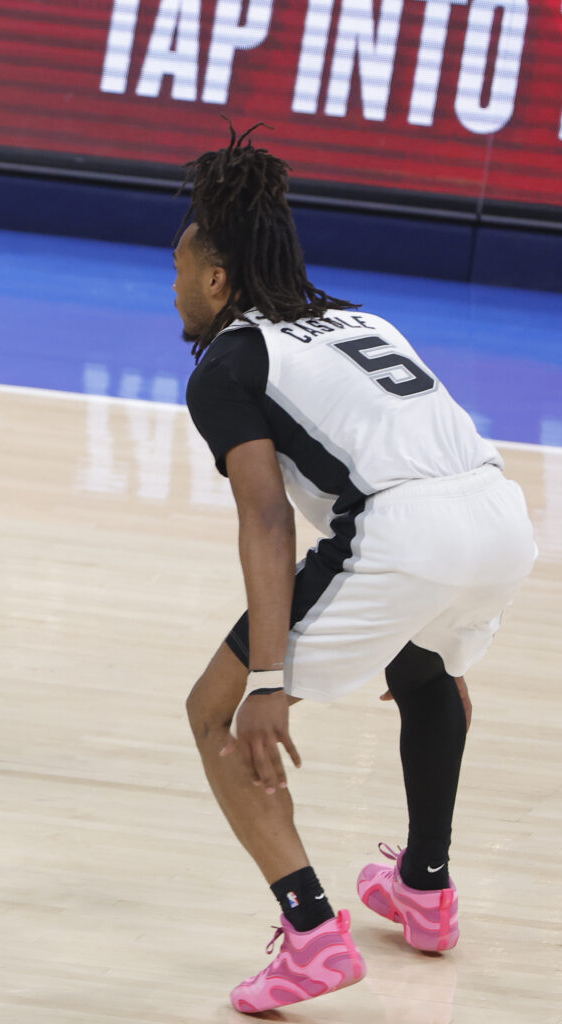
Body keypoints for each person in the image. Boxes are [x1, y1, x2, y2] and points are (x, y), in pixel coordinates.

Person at [175, 127, 536, 1014]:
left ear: (218, 279)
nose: (175, 288)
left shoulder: (228, 362)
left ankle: (311, 937)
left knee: (216, 715)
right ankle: (425, 887)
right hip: (500, 516)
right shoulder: (364, 318)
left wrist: (268, 678)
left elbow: (263, 516)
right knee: (425, 669)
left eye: (179, 269)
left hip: (403, 531)